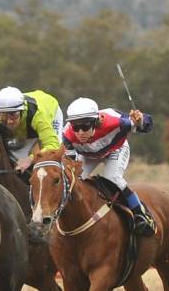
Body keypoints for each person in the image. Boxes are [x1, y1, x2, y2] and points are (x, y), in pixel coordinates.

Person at [61, 97, 155, 236]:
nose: (80, 132)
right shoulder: (67, 135)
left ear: (95, 122)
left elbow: (147, 123)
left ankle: (141, 214)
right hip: (88, 155)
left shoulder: (116, 122)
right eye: (75, 127)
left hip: (116, 150)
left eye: (85, 126)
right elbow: (71, 163)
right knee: (73, 181)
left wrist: (140, 121)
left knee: (112, 178)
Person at [0, 87, 64, 172]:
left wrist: (30, 159)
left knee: (55, 154)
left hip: (49, 109)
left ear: (22, 111)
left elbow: (53, 145)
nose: (9, 121)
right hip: (26, 120)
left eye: (14, 115)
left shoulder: (38, 117)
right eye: (4, 115)